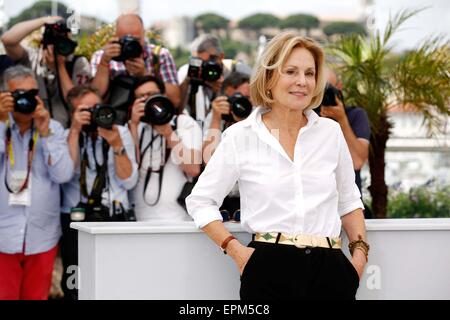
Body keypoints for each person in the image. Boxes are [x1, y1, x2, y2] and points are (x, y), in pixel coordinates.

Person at [186, 31, 369, 300]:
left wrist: (358, 259)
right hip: (266, 268)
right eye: (291, 71)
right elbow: (200, 201)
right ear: (269, 77)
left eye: (309, 73)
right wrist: (238, 252)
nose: (302, 82)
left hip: (332, 270)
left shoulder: (330, 132)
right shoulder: (241, 135)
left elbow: (350, 201)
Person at [0, 65, 74, 299]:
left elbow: (63, 175)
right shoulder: (0, 124)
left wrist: (45, 133)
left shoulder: (53, 128)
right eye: (19, 95)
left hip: (41, 235)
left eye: (32, 94)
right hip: (3, 234)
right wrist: (1, 123)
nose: (27, 101)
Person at [60, 85, 138, 299]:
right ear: (74, 113)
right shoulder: (69, 135)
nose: (94, 114)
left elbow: (129, 181)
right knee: (76, 282)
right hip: (76, 218)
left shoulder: (119, 132)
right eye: (86, 110)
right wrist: (75, 131)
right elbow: (65, 173)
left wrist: (116, 145)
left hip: (115, 214)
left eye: (97, 107)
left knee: (117, 280)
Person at [128, 76, 202, 221]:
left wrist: (168, 133)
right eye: (141, 97)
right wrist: (133, 125)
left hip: (178, 218)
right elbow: (129, 172)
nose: (147, 100)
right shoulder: (135, 127)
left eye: (151, 95)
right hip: (141, 218)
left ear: (163, 96)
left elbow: (193, 169)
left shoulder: (184, 123)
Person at [1, 16, 92, 128]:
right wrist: (43, 21)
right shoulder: (30, 58)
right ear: (43, 42)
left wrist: (60, 66)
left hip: (67, 130)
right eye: (52, 42)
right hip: (33, 129)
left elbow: (77, 102)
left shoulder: (78, 63)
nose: (57, 46)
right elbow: (8, 40)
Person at [90, 13, 180, 108]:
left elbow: (175, 100)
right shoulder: (102, 56)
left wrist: (145, 75)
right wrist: (104, 63)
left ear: (143, 34)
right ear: (116, 36)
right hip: (116, 119)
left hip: (151, 117)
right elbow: (96, 97)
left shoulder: (159, 56)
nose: (131, 45)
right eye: (125, 40)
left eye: (136, 40)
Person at [317, 68, 371, 217]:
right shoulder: (307, 117)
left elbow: (357, 161)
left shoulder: (355, 115)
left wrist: (342, 120)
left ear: (339, 87)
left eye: (328, 88)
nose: (324, 96)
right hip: (318, 212)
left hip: (348, 211)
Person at [178, 34, 252, 129]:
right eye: (197, 61)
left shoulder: (239, 70)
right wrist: (189, 80)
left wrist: (223, 90)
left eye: (210, 60)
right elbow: (178, 108)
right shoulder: (187, 72)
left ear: (221, 56)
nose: (204, 67)